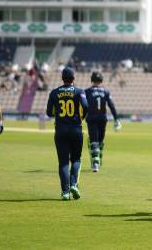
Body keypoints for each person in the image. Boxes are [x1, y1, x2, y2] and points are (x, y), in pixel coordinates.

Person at [46, 67, 89, 200]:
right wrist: (81, 117)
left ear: (62, 78)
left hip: (60, 130)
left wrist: (58, 114)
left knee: (63, 162)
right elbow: (86, 106)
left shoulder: (54, 92)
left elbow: (49, 112)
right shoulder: (79, 91)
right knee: (76, 159)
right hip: (76, 129)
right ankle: (74, 184)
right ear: (73, 79)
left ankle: (65, 192)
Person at [84, 71, 121, 172]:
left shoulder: (86, 92)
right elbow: (111, 105)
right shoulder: (106, 91)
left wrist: (80, 117)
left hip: (91, 119)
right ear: (101, 80)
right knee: (100, 142)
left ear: (92, 80)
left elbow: (82, 106)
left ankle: (95, 163)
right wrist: (116, 119)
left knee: (94, 142)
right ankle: (98, 159)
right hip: (102, 119)